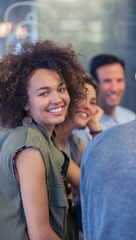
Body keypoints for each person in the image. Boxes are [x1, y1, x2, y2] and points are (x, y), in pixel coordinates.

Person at [0, 40, 85, 240]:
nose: (57, 99)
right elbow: (41, 235)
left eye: (61, 89)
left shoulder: (46, 137)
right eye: (44, 93)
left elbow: (86, 183)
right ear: (24, 102)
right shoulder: (31, 149)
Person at [80, 33, 136, 240]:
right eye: (107, 81)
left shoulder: (123, 123)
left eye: (119, 80)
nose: (114, 87)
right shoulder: (82, 132)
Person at [55, 73, 103, 239]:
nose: (88, 106)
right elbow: (88, 187)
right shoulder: (48, 141)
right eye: (81, 97)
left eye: (93, 102)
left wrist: (95, 126)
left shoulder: (74, 143)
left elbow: (102, 182)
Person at [73, 54, 136, 145]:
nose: (114, 89)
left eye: (119, 80)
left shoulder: (131, 118)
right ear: (94, 84)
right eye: (107, 81)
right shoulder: (81, 128)